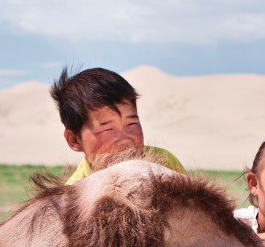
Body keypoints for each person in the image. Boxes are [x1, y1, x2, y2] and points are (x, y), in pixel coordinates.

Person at [51, 67, 186, 184]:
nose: (125, 140)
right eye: (107, 129)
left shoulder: (165, 163)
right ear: (74, 140)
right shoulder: (73, 196)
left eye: (132, 124)